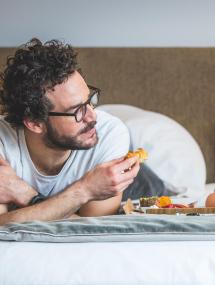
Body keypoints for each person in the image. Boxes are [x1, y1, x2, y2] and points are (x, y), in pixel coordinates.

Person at [0, 38, 142, 224]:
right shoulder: (3, 142)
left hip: (139, 185)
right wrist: (85, 191)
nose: (93, 117)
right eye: (77, 111)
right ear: (35, 123)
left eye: (90, 100)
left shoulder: (110, 133)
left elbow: (95, 231)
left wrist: (26, 195)